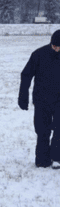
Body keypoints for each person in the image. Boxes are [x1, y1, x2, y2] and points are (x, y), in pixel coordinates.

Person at [18, 29, 60, 168]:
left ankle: (57, 158)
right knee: (42, 130)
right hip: (42, 99)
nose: (56, 49)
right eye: (54, 46)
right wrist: (23, 96)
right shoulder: (39, 54)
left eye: (59, 47)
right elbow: (26, 75)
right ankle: (43, 160)